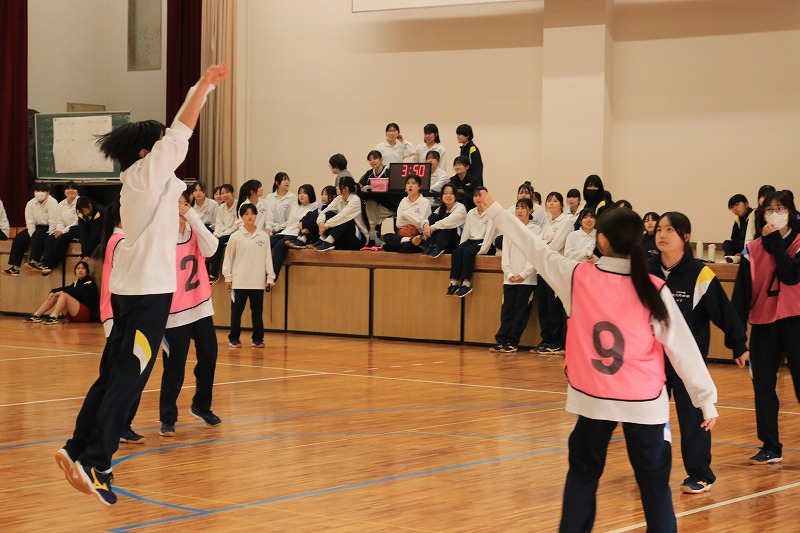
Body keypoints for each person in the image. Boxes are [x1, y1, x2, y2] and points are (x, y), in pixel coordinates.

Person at [480, 191, 718, 533]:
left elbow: (536, 248)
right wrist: (705, 399)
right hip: (644, 401)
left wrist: (499, 214)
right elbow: (682, 348)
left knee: (583, 474)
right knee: (654, 487)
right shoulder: (654, 287)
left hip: (592, 397)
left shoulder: (576, 277)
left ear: (600, 240)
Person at [55, 62, 229, 506]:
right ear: (144, 153)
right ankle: (98, 460)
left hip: (136, 292)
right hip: (149, 298)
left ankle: (76, 447)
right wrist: (204, 86)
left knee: (111, 374)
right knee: (130, 378)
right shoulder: (146, 175)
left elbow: (173, 148)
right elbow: (180, 132)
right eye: (156, 147)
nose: (165, 151)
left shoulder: (149, 183)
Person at [651, 211, 749, 494]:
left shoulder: (699, 273)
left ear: (685, 236)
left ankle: (700, 474)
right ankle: (653, 471)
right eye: (659, 229)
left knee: (694, 417)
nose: (662, 235)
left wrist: (739, 343)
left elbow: (724, 312)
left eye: (670, 230)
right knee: (651, 417)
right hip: (652, 360)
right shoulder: (646, 270)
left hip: (686, 363)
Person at [732, 189, 800, 466]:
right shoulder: (752, 250)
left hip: (795, 321)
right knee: (763, 387)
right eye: (769, 209)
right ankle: (770, 446)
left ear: (792, 212)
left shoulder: (797, 243)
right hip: (763, 324)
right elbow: (741, 295)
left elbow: (790, 275)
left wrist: (774, 241)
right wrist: (737, 339)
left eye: (781, 208)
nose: (775, 213)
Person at [155, 192, 221, 437]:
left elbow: (212, 248)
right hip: (174, 312)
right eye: (176, 205)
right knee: (175, 366)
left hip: (200, 306)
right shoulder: (162, 237)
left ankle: (201, 406)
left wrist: (194, 218)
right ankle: (167, 417)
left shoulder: (195, 230)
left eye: (184, 204)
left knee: (209, 356)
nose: (181, 209)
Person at [222, 202, 275, 348]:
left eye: (252, 213)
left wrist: (270, 276)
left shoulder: (263, 236)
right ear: (241, 216)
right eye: (246, 214)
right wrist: (228, 276)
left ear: (256, 215)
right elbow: (228, 258)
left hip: (257, 282)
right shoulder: (235, 237)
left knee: (257, 313)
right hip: (239, 281)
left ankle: (257, 339)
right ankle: (234, 338)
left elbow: (267, 258)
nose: (249, 216)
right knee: (236, 312)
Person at [490, 198, 539, 354]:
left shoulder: (535, 230)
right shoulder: (509, 229)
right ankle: (502, 340)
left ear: (530, 211)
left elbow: (535, 254)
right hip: (509, 278)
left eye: (523, 208)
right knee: (507, 310)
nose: (520, 211)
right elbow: (506, 255)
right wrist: (509, 272)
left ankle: (512, 341)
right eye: (518, 207)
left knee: (520, 312)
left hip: (527, 280)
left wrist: (524, 274)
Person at [532, 192, 573, 355]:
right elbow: (538, 243)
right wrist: (544, 244)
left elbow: (556, 245)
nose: (551, 203)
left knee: (553, 306)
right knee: (543, 306)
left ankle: (556, 342)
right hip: (543, 267)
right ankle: (546, 339)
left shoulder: (567, 221)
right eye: (549, 201)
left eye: (555, 201)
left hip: (556, 269)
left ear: (561, 204)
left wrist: (545, 244)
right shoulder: (547, 222)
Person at [446, 187, 495, 297]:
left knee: (468, 251)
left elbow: (489, 235)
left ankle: (466, 283)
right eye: (475, 195)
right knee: (457, 251)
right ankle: (453, 282)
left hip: (485, 243)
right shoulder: (471, 213)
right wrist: (460, 248)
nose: (478, 198)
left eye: (480, 195)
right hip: (472, 241)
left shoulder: (491, 213)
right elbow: (466, 234)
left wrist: (482, 250)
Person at [4, 182, 58, 276]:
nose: (39, 193)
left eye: (42, 191)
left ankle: (34, 262)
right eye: (37, 190)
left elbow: (53, 221)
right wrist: (32, 235)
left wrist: (50, 235)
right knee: (18, 239)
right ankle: (15, 267)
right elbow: (29, 222)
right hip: (34, 227)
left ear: (48, 193)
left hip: (48, 227)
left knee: (37, 236)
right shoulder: (30, 203)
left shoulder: (52, 202)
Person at [24, 260, 99, 324]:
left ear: (87, 271)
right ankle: (36, 315)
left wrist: (59, 292)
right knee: (57, 295)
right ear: (75, 271)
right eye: (78, 268)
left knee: (64, 295)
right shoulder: (76, 283)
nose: (80, 270)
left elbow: (74, 290)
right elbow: (66, 288)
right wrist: (52, 292)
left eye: (83, 268)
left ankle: (54, 317)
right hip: (73, 316)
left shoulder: (90, 284)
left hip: (85, 316)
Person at [308, 176, 369, 252]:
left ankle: (329, 242)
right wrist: (321, 223)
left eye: (338, 185)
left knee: (345, 219)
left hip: (358, 239)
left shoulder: (355, 200)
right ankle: (322, 240)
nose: (336, 188)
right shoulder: (338, 199)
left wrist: (326, 225)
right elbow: (324, 211)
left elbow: (343, 216)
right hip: (344, 237)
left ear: (345, 189)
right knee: (330, 213)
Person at [271, 184, 317, 280]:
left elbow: (310, 224)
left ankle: (272, 276)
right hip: (286, 231)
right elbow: (289, 222)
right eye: (300, 193)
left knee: (280, 245)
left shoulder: (314, 207)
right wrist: (276, 229)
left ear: (310, 195)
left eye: (304, 193)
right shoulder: (295, 205)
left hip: (297, 234)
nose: (301, 195)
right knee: (268, 241)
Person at [38, 181, 81, 274]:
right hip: (64, 230)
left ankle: (52, 264)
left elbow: (77, 221)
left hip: (77, 229)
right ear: (64, 192)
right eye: (68, 188)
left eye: (73, 188)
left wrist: (63, 231)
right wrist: (58, 230)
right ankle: (45, 263)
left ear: (77, 191)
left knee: (62, 239)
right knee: (50, 238)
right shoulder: (61, 204)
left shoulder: (81, 202)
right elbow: (59, 220)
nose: (70, 190)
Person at [382, 174, 431, 253]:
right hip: (404, 235)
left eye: (413, 183)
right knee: (386, 236)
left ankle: (394, 246)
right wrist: (414, 219)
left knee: (406, 247)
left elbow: (420, 223)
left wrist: (405, 214)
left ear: (419, 186)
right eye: (408, 183)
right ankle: (409, 240)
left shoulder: (425, 202)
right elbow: (399, 223)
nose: (410, 186)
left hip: (419, 236)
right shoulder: (403, 201)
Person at [415, 183, 466, 258]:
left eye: (451, 193)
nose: (448, 196)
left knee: (445, 221)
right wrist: (425, 226)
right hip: (444, 238)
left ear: (455, 196)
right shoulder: (441, 208)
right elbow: (430, 218)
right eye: (445, 193)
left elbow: (447, 222)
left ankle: (438, 246)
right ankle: (430, 245)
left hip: (457, 240)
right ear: (442, 196)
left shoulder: (460, 208)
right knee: (435, 217)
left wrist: (431, 228)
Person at [286, 185, 337, 249]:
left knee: (320, 215)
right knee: (311, 213)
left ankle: (304, 240)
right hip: (315, 232)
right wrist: (302, 223)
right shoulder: (322, 207)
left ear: (334, 196)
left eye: (326, 194)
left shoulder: (334, 209)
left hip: (325, 234)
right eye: (322, 194)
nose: (323, 197)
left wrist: (304, 225)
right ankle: (303, 239)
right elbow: (311, 214)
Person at [208, 183, 237, 283]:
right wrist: (215, 234)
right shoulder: (221, 207)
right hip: (223, 233)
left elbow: (236, 226)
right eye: (222, 193)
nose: (225, 195)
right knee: (212, 240)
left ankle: (214, 274)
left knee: (219, 242)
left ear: (233, 193)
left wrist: (220, 235)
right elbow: (218, 224)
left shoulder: (239, 205)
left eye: (227, 192)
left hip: (234, 233)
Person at [743, 184, 776, 249]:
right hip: (758, 248)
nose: (766, 200)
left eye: (769, 197)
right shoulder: (755, 213)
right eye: (763, 197)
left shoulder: (778, 214)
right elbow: (749, 236)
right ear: (759, 199)